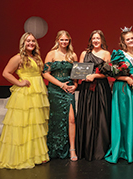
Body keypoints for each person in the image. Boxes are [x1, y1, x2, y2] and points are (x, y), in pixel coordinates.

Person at [0, 32, 49, 169]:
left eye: (33, 41)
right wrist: (19, 83)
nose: (31, 43)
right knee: (24, 124)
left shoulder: (36, 57)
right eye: (28, 41)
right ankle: (22, 156)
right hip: (25, 94)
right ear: (23, 43)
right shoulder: (18, 57)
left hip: (37, 94)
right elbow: (6, 73)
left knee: (35, 124)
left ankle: (36, 155)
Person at [104, 27, 133, 163]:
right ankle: (123, 149)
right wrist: (126, 78)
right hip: (123, 89)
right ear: (123, 41)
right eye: (127, 39)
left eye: (132, 38)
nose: (131, 40)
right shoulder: (119, 54)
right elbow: (113, 74)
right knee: (124, 119)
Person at [76, 30, 111, 161]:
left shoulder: (106, 53)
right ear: (90, 40)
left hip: (101, 88)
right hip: (86, 89)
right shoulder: (84, 54)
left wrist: (95, 75)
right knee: (87, 116)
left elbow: (108, 73)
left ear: (102, 40)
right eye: (93, 38)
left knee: (101, 117)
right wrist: (83, 77)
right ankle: (86, 149)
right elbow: (79, 71)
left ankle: (99, 149)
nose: (96, 40)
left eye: (98, 38)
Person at [43, 30, 78, 161]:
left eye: (66, 40)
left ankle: (72, 149)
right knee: (56, 119)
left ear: (69, 41)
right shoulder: (51, 54)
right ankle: (55, 148)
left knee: (71, 119)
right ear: (57, 40)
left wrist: (75, 85)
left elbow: (76, 75)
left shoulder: (73, 55)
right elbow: (46, 74)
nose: (64, 42)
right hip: (55, 89)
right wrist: (60, 84)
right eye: (62, 40)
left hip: (68, 89)